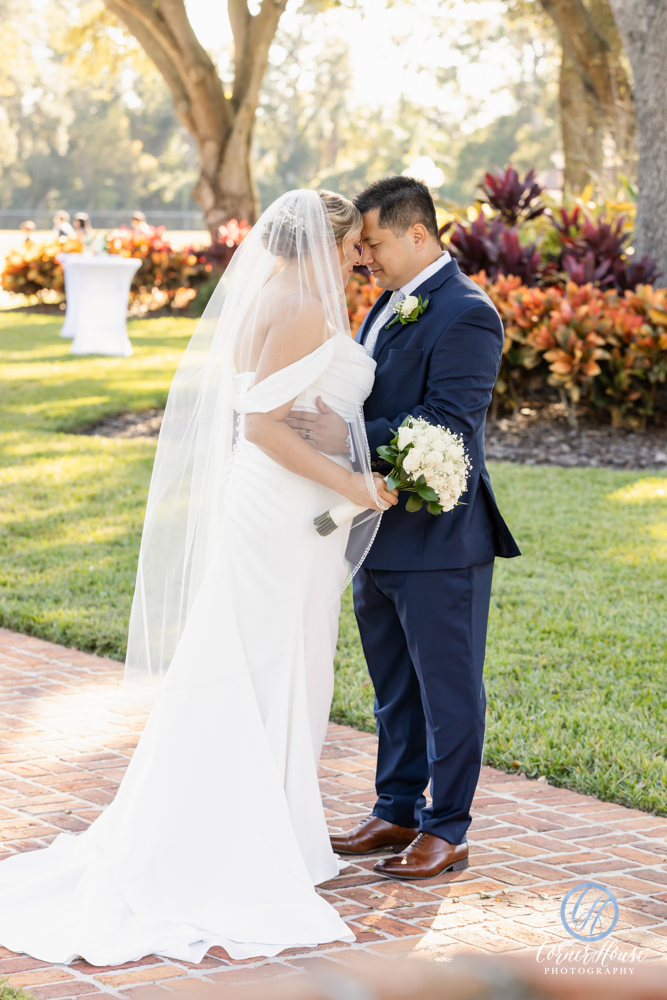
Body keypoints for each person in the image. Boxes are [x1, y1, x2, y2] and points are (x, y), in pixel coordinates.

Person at [0, 189, 397, 964]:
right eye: (352, 243)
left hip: (282, 505)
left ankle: (281, 828)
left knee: (279, 660)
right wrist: (352, 486)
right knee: (265, 661)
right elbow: (262, 426)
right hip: (283, 507)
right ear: (324, 242)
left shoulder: (281, 296)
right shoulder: (307, 309)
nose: (358, 255)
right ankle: (240, 842)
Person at [288, 176, 520, 880]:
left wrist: (344, 430)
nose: (361, 257)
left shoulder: (466, 313)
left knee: (446, 689)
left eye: (373, 242)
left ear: (418, 234)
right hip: (371, 530)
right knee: (392, 687)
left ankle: (446, 827)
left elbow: (449, 422)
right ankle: (394, 810)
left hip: (440, 538)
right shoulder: (385, 306)